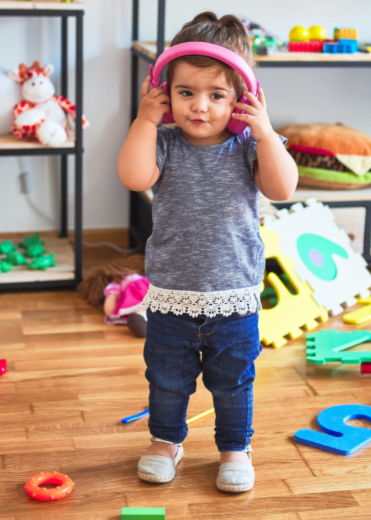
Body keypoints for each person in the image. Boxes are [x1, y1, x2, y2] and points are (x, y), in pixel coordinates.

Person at [116, 11, 298, 493]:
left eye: (217, 95)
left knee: (233, 382)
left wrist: (264, 131)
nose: (200, 107)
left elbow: (282, 187)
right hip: (171, 296)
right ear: (164, 91)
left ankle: (235, 448)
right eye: (186, 93)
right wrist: (144, 120)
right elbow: (135, 178)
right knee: (168, 379)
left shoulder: (249, 145)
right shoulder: (164, 142)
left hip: (233, 296)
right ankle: (166, 440)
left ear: (244, 98)